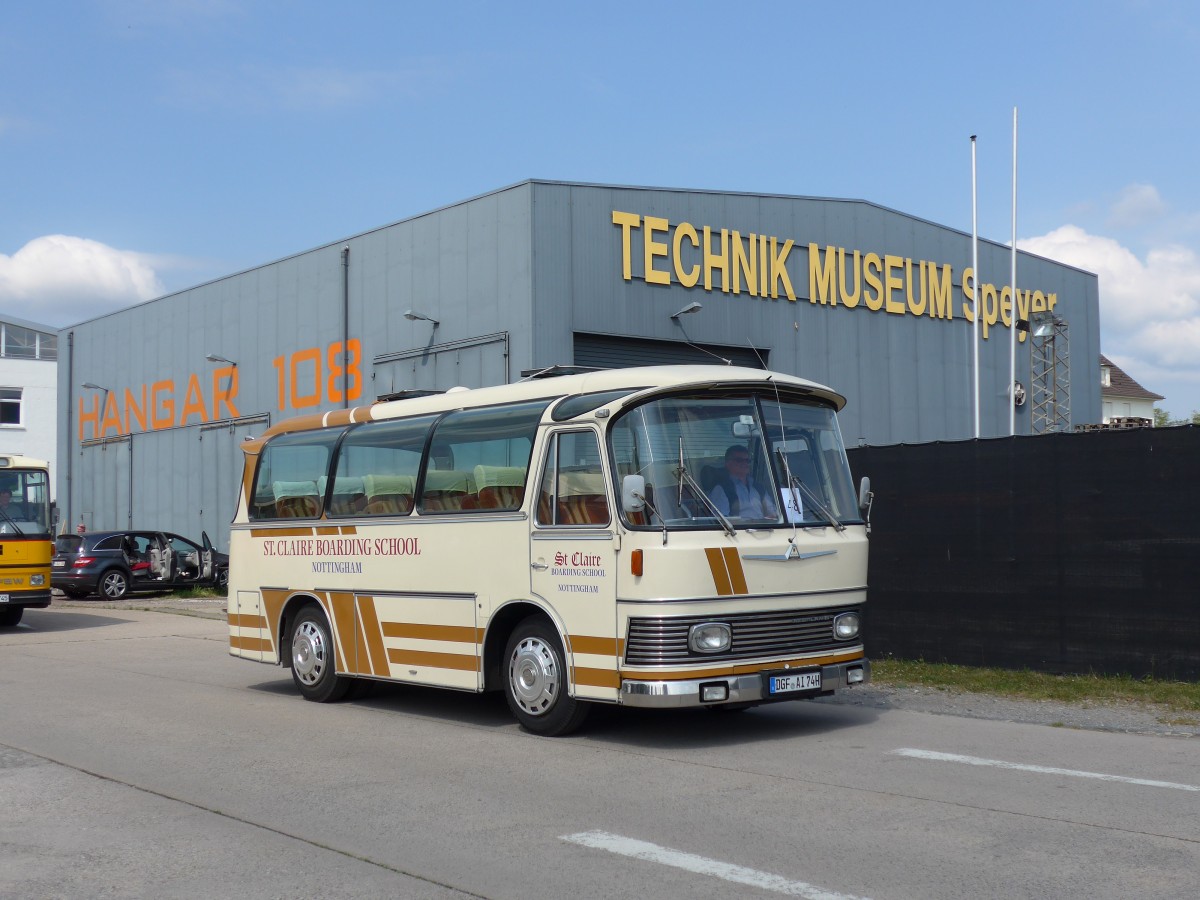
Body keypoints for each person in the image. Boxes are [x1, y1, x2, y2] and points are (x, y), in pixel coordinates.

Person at [708, 445, 775, 519]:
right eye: (739, 460)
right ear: (727, 463)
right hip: (737, 530)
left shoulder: (759, 488)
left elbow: (772, 514)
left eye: (747, 460)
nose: (744, 463)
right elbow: (722, 521)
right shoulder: (721, 489)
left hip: (765, 529)